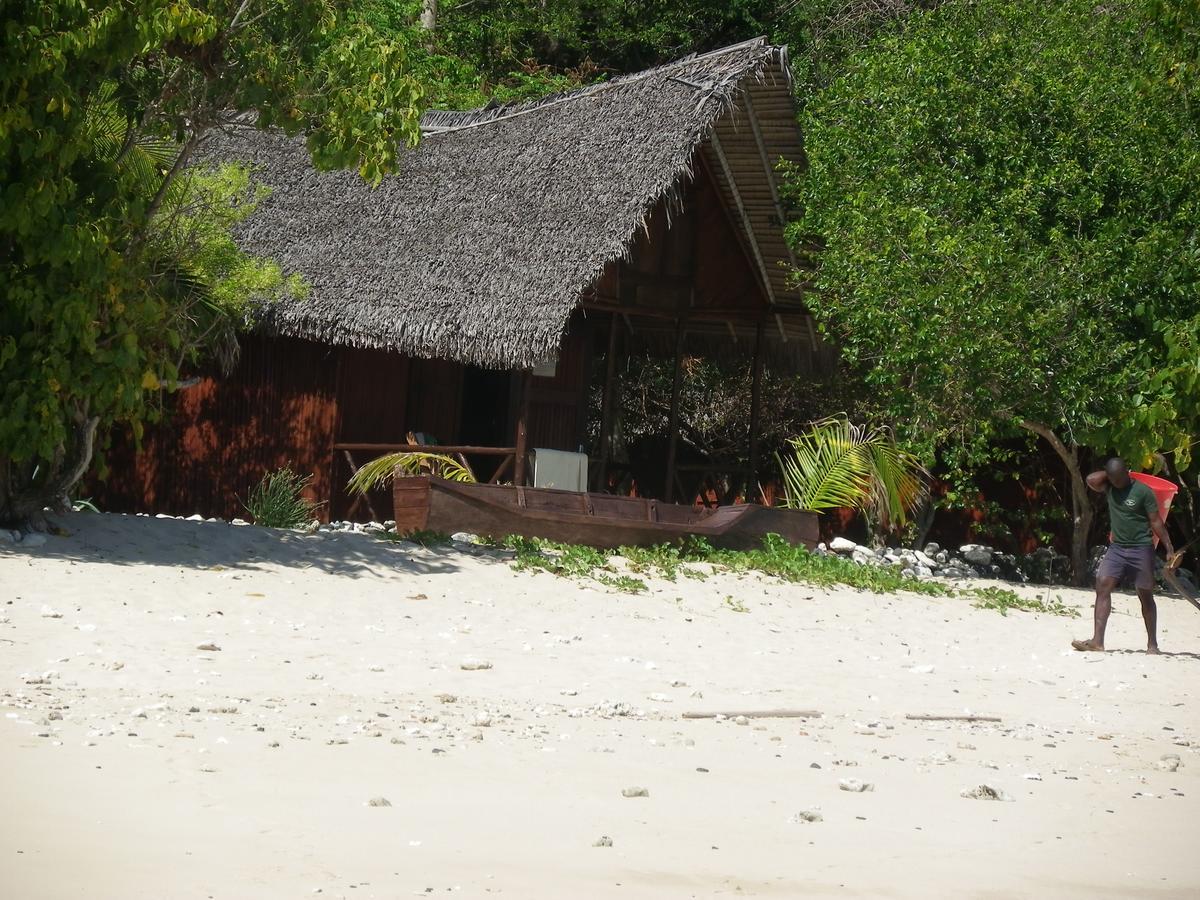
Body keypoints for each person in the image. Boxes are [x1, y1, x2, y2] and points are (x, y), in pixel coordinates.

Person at [1072, 458, 1177, 654]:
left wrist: (1169, 547)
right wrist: (1109, 474)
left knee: (1145, 594)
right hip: (1117, 548)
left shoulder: (1143, 491)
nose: (1117, 483)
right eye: (1113, 479)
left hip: (1141, 548)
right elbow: (1090, 480)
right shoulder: (1109, 486)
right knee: (1102, 585)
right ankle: (1097, 641)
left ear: (1127, 474)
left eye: (1120, 479)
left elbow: (1156, 522)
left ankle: (1152, 645)